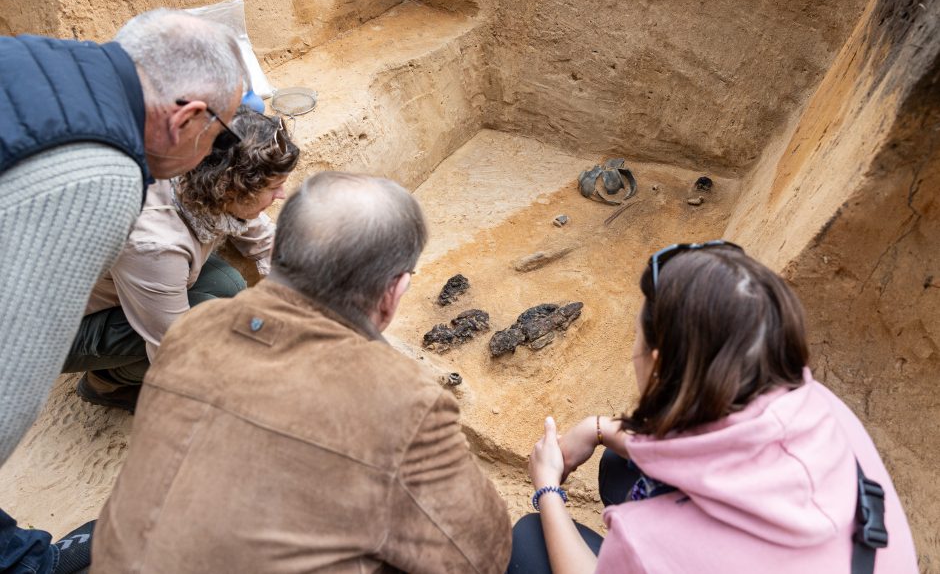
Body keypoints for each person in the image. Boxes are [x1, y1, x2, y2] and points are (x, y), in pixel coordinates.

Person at [92, 172, 512, 573]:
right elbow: (482, 559)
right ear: (395, 291)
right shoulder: (407, 401)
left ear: (278, 253)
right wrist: (546, 488)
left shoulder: (192, 328)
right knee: (526, 542)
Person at [0, 9, 245, 573]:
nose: (215, 154)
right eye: (220, 136)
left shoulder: (56, 61)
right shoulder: (102, 175)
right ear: (187, 118)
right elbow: (14, 368)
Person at [510, 241, 918, 573]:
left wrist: (548, 488)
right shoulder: (819, 404)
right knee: (622, 467)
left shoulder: (644, 544)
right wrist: (597, 429)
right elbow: (714, 453)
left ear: (658, 362)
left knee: (530, 542)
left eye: (636, 342)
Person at [63, 107, 300, 412]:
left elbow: (265, 240)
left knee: (228, 286)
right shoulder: (155, 243)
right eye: (272, 187)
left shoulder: (202, 172)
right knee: (211, 330)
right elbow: (174, 350)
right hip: (50, 329)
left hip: (124, 280)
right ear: (231, 187)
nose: (281, 194)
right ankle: (107, 382)